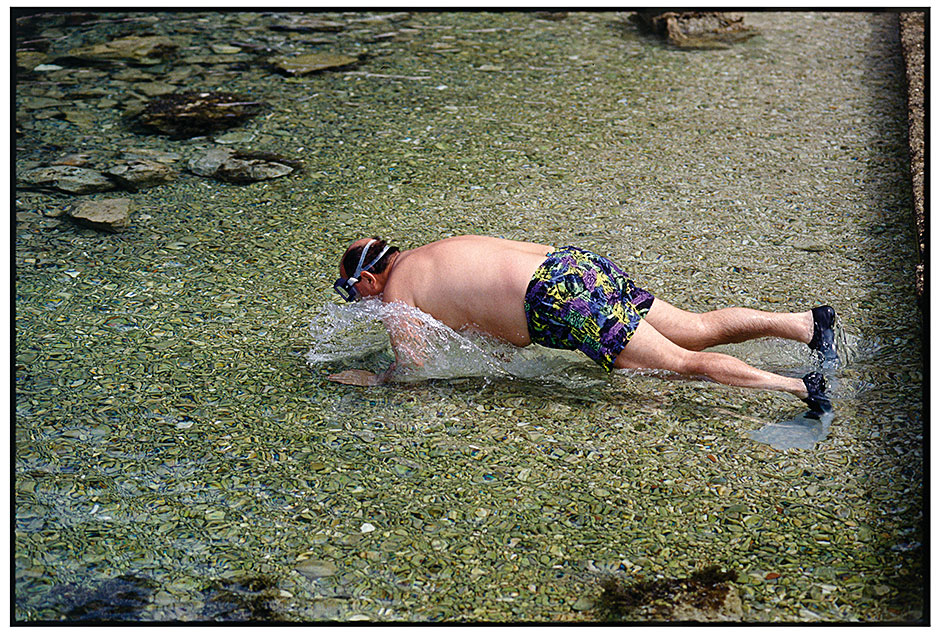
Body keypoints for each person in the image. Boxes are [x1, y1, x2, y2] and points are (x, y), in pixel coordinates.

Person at [328, 235, 837, 415]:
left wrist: (374, 379)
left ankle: (797, 387)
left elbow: (411, 366)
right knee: (696, 328)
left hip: (559, 297)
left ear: (369, 280)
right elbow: (486, 314)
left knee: (680, 364)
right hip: (574, 267)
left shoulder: (397, 293)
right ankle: (807, 326)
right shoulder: (434, 254)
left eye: (354, 292)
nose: (359, 303)